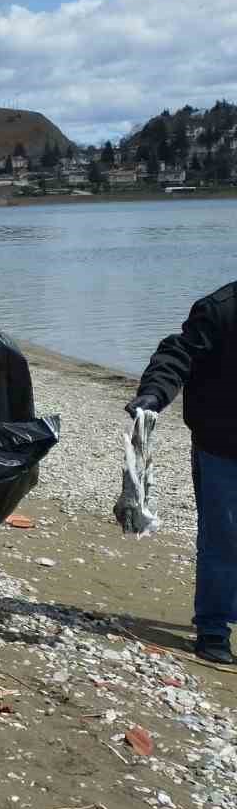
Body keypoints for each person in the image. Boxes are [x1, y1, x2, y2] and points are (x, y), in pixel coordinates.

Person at [128, 281, 237, 664]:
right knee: (223, 540)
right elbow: (177, 355)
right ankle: (213, 629)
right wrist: (154, 394)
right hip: (222, 446)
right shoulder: (220, 308)